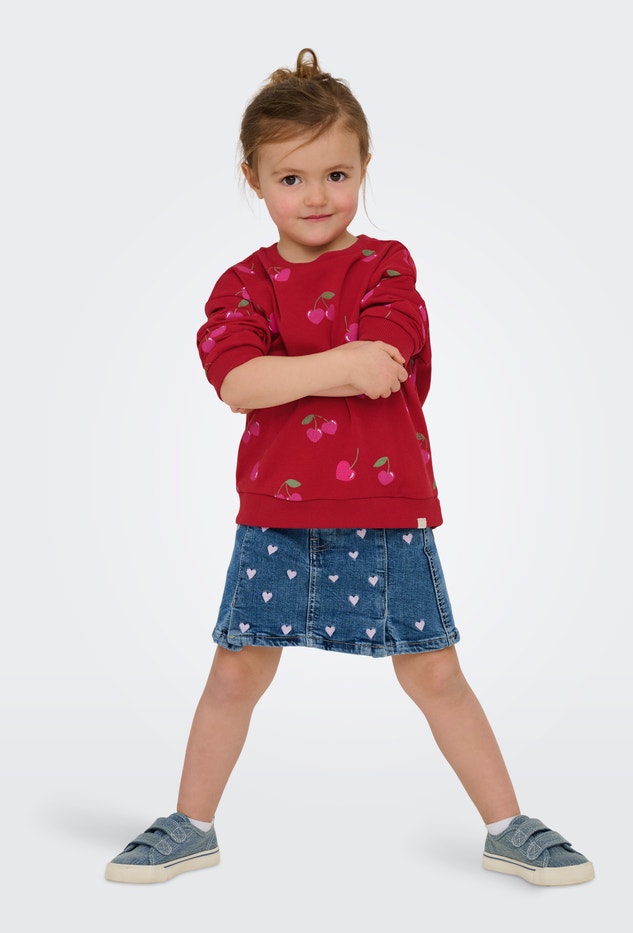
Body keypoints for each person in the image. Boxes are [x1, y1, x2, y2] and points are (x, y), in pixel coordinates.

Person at [105, 48, 594, 887]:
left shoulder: (386, 263)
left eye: (337, 173)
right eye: (291, 178)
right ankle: (190, 824)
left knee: (435, 669)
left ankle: (508, 825)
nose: (317, 196)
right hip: (276, 515)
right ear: (254, 180)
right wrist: (337, 362)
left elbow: (385, 363)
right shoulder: (242, 283)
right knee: (236, 669)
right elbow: (237, 382)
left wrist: (293, 370)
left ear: (365, 167)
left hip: (388, 509)